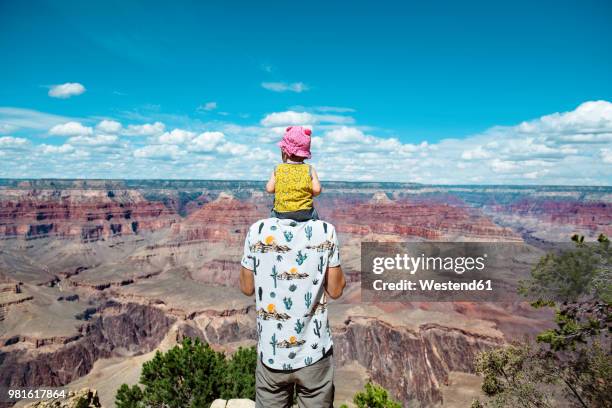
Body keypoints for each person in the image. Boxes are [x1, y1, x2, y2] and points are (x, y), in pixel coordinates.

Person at [240, 217, 346, 408]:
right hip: (314, 353)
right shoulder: (325, 230)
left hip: (272, 355)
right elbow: (336, 291)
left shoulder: (257, 230)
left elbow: (247, 288)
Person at [266, 126, 321, 222]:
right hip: (305, 213)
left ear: (284, 151)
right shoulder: (309, 169)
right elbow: (317, 190)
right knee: (315, 217)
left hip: (280, 213)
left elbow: (270, 189)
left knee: (272, 216)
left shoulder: (278, 169)